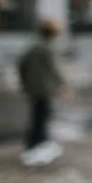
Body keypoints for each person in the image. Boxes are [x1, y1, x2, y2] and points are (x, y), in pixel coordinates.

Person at [16, 18, 70, 166]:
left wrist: (25, 83)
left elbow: (22, 65)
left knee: (37, 116)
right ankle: (38, 145)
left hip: (34, 88)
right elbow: (54, 70)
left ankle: (33, 145)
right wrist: (63, 86)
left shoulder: (34, 48)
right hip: (43, 89)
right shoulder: (46, 49)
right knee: (42, 117)